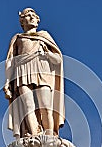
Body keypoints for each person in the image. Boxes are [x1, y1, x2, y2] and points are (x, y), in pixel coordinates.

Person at [4, 8, 65, 139]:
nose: (31, 18)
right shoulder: (18, 38)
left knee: (46, 106)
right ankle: (34, 135)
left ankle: (49, 136)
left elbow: (58, 60)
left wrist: (46, 54)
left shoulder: (44, 37)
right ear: (22, 21)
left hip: (42, 71)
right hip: (22, 72)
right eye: (28, 16)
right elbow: (10, 61)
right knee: (27, 106)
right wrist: (8, 81)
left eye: (33, 16)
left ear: (37, 20)